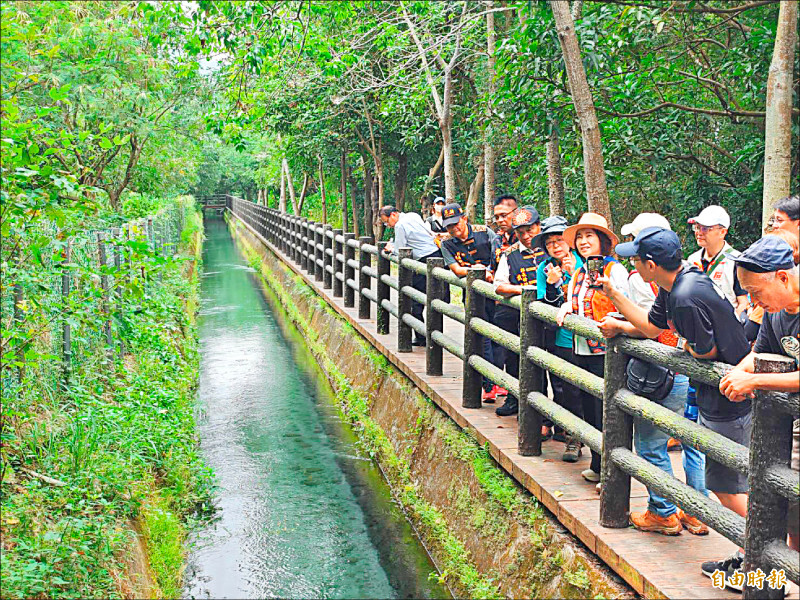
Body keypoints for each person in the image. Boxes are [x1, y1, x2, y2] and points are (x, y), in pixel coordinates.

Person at [595, 227, 751, 585]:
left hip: (731, 397)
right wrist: (616, 300)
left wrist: (684, 343)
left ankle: (762, 559)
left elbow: (706, 351)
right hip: (718, 395)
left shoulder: (684, 296)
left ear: (650, 265)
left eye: (635, 259)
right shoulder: (679, 282)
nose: (632, 263)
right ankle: (749, 555)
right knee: (729, 485)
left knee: (729, 488)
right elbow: (652, 328)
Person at [599, 217, 709, 537]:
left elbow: (652, 328)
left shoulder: (663, 285)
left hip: (663, 373)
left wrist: (619, 322)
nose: (632, 258)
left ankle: (663, 512)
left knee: (651, 447)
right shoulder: (689, 276)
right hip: (686, 372)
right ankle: (696, 511)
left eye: (635, 246)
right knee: (693, 444)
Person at [719, 236, 799, 560]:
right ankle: (771, 577)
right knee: (786, 512)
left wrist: (752, 380)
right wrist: (735, 377)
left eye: (756, 292)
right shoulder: (773, 310)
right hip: (786, 423)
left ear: (783, 277)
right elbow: (760, 352)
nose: (753, 301)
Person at [555, 213, 630, 483]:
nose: (584, 241)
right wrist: (566, 306)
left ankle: (611, 470)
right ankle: (598, 463)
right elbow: (573, 300)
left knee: (605, 410)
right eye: (580, 237)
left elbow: (625, 306)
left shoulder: (615, 271)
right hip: (581, 348)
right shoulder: (579, 271)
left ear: (603, 240)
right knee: (589, 406)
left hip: (607, 352)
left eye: (590, 236)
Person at [533, 216, 584, 462]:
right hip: (562, 337)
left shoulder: (586, 263)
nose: (555, 246)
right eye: (549, 242)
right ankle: (571, 438)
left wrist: (573, 274)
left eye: (559, 240)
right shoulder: (544, 269)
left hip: (590, 340)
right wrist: (554, 284)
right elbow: (545, 305)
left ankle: (587, 437)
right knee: (565, 389)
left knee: (588, 391)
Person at [439, 203, 501, 402]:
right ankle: (488, 384)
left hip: (496, 290)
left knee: (499, 334)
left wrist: (493, 273)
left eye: (456, 223)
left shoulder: (485, 232)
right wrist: (478, 271)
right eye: (449, 226)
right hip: (473, 294)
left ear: (464, 219)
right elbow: (456, 270)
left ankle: (500, 380)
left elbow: (499, 255)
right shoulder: (447, 243)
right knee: (481, 336)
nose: (454, 229)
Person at [493, 206, 545, 416]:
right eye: (521, 232)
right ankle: (515, 399)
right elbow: (499, 285)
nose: (526, 236)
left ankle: (547, 414)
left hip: (547, 317)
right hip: (515, 316)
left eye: (530, 230)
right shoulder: (509, 254)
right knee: (514, 358)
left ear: (539, 227)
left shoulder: (551, 248)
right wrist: (524, 290)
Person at [380, 205, 442, 346]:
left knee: (415, 299)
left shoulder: (399, 225)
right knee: (437, 298)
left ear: (394, 215)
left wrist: (390, 248)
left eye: (386, 221)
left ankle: (421, 337)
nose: (387, 225)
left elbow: (401, 249)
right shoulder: (413, 215)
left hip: (423, 260)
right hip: (436, 255)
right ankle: (436, 336)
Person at [487, 194, 521, 404]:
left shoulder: (526, 238)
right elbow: (493, 265)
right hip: (504, 305)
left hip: (525, 303)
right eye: (496, 217)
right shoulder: (497, 240)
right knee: (510, 353)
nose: (499, 220)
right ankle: (512, 397)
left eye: (503, 215)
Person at [687, 205, 749, 317]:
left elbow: (743, 303)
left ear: (722, 232)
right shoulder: (692, 260)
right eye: (697, 227)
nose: (699, 233)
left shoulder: (736, 260)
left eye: (705, 228)